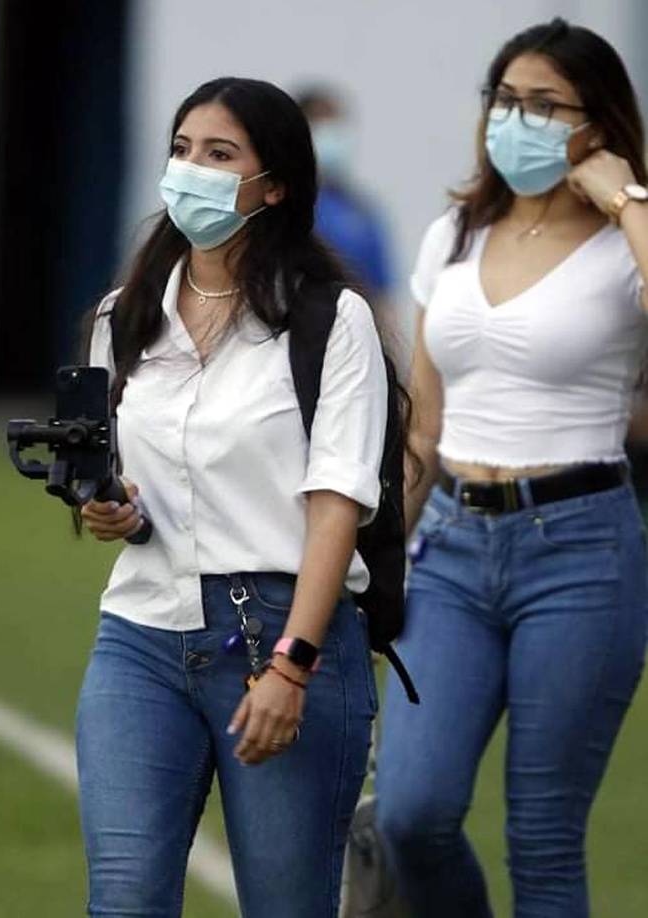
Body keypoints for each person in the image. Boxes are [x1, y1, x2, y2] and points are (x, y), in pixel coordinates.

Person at [77, 76, 387, 918]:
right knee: (124, 900)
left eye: (219, 155)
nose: (191, 171)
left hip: (279, 634)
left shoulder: (332, 320)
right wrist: (114, 509)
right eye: (181, 150)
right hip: (140, 636)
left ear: (274, 185)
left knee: (286, 905)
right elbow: (130, 475)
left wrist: (293, 663)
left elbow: (337, 505)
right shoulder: (124, 316)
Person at [376, 18, 648, 918]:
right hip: (451, 547)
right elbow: (423, 427)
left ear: (596, 123)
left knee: (543, 836)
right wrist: (376, 554)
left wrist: (627, 201)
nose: (515, 119)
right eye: (504, 99)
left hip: (580, 551)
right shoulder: (455, 231)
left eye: (544, 104)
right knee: (412, 814)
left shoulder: (627, 239)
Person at [297, 86, 394, 310]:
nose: (334, 138)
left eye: (337, 126)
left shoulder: (360, 209)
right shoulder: (284, 207)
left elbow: (383, 295)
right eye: (323, 126)